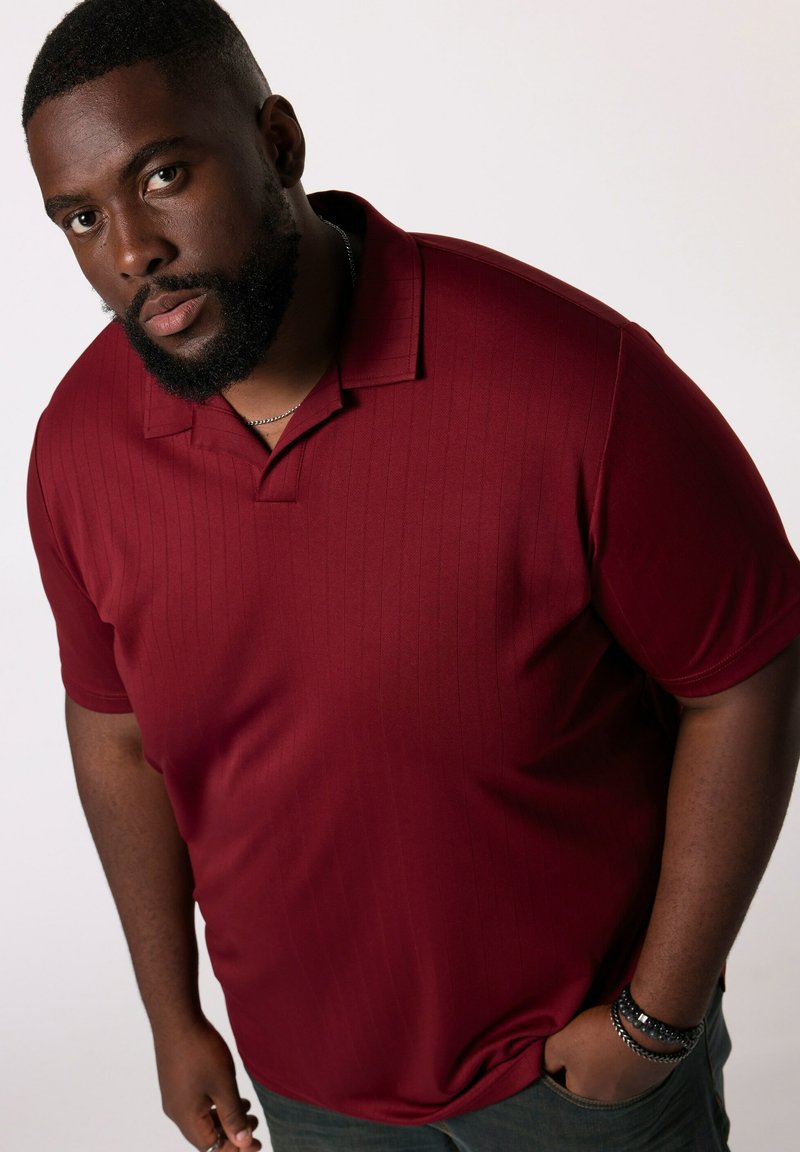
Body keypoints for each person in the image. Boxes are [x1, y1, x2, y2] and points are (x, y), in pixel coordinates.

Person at [22, 1, 800, 1150]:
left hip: (577, 1076)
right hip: (307, 1082)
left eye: (165, 175)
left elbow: (743, 673)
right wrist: (171, 1012)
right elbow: (116, 733)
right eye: (82, 216)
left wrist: (654, 1020)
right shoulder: (79, 444)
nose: (131, 251)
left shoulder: (573, 382)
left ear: (278, 142)